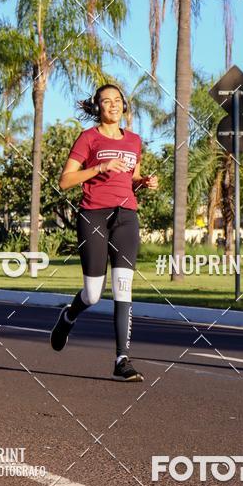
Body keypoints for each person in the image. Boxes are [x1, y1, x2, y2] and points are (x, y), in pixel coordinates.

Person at [50, 84, 158, 381]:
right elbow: (66, 180)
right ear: (97, 107)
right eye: (106, 101)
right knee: (94, 294)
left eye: (117, 100)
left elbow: (130, 178)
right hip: (94, 215)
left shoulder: (135, 140)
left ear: (124, 105)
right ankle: (69, 316)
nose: (112, 105)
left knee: (124, 286)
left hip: (126, 217)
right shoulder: (89, 138)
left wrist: (143, 182)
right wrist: (100, 167)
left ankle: (122, 359)